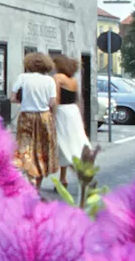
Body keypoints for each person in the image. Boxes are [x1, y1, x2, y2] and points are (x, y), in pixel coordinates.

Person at [11, 52, 58, 190]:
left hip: (26, 117)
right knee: (43, 150)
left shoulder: (22, 78)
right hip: (44, 117)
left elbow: (12, 98)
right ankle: (37, 185)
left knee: (25, 149)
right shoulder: (49, 80)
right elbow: (52, 101)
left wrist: (25, 100)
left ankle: (30, 179)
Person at [50, 54, 90, 189]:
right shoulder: (73, 80)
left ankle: (79, 176)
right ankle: (63, 178)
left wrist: (52, 116)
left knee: (63, 145)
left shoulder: (57, 78)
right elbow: (78, 100)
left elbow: (56, 99)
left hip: (62, 112)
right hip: (73, 112)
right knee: (71, 143)